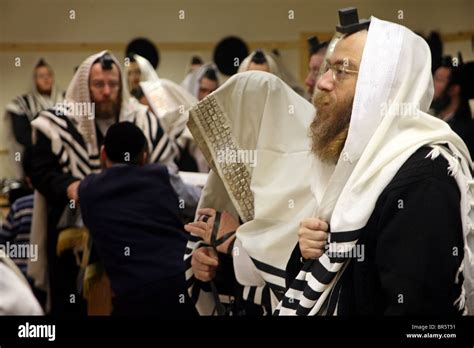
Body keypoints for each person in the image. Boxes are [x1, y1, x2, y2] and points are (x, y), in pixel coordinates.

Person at [279, 9, 474, 315]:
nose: (324, 83)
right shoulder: (358, 162)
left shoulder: (425, 176)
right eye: (327, 69)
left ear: (384, 85)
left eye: (342, 71)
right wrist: (307, 254)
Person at [28, 51, 189, 315]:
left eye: (113, 85)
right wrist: (69, 186)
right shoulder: (56, 123)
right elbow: (40, 170)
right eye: (98, 85)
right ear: (84, 86)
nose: (106, 92)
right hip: (71, 236)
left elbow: (165, 166)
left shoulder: (142, 118)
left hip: (135, 237)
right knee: (72, 302)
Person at [183, 70, 316, 315]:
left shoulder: (308, 180)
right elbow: (213, 245)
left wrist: (234, 242)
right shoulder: (233, 170)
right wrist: (203, 262)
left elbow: (298, 275)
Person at [79, 122, 197, 317]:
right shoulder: (161, 176)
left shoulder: (88, 190)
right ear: (145, 156)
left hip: (132, 294)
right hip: (183, 284)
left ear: (102, 154)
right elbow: (199, 201)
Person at [4, 59, 64, 179]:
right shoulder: (22, 104)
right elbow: (22, 136)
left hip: (63, 158)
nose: (46, 79)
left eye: (49, 75)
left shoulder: (65, 99)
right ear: (35, 80)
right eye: (41, 76)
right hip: (36, 161)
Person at [430, 55, 474, 157]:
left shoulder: (467, 131)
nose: (432, 85)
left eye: (439, 80)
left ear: (454, 89)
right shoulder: (430, 118)